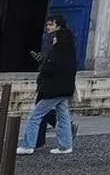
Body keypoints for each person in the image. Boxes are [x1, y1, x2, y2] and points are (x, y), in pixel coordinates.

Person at [16, 15, 76, 156]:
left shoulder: (60, 41)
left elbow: (54, 63)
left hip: (54, 87)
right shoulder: (67, 41)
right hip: (64, 86)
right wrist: (44, 61)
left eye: (50, 24)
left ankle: (27, 145)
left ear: (58, 25)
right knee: (63, 116)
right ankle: (65, 145)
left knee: (34, 116)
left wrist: (44, 67)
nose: (48, 27)